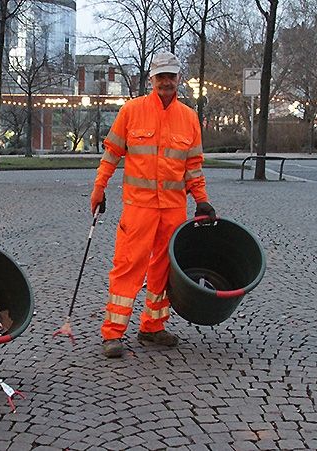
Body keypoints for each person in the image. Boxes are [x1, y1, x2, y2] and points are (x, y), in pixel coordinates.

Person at [90, 51, 216, 358]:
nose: (166, 82)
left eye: (171, 76)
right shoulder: (132, 111)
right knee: (127, 267)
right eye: (161, 77)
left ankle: (152, 327)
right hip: (139, 207)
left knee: (163, 270)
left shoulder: (188, 118)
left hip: (173, 209)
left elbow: (194, 166)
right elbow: (111, 153)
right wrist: (99, 187)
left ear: (178, 79)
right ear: (152, 79)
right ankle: (113, 333)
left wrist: (202, 200)